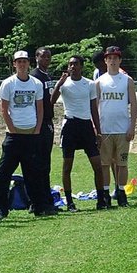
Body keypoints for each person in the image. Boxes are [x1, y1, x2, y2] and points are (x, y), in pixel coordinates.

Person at [0, 50, 56, 220]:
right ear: (14, 64)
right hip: (14, 135)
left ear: (28, 63)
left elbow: (40, 107)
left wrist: (37, 128)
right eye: (18, 62)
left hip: (31, 134)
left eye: (24, 61)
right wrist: (11, 128)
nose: (22, 64)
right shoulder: (8, 83)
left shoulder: (36, 83)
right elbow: (4, 109)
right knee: (3, 172)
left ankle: (38, 205)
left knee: (33, 172)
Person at [51, 55, 106, 212]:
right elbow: (51, 102)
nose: (72, 67)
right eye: (70, 64)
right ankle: (69, 202)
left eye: (75, 64)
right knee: (67, 166)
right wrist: (59, 84)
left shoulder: (89, 84)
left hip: (86, 126)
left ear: (81, 66)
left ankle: (101, 200)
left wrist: (99, 132)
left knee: (97, 164)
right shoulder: (64, 84)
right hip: (70, 125)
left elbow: (93, 109)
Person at [96, 46, 137, 207]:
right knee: (105, 163)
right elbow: (95, 105)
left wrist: (132, 126)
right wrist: (96, 128)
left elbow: (133, 105)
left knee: (122, 163)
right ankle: (105, 193)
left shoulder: (127, 80)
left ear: (120, 60)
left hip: (122, 129)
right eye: (109, 58)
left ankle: (121, 192)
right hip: (105, 129)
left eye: (116, 58)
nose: (112, 61)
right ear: (105, 60)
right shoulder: (99, 81)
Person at [31, 47, 57, 207]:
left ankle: (47, 199)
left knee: (46, 163)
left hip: (48, 122)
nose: (46, 59)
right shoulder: (35, 76)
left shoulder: (47, 75)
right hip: (38, 124)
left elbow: (51, 99)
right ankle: (37, 201)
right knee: (38, 163)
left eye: (48, 57)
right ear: (36, 58)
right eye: (43, 56)